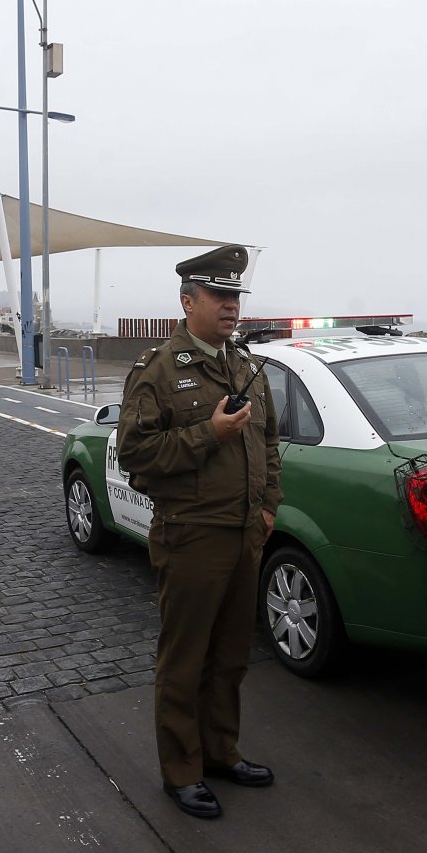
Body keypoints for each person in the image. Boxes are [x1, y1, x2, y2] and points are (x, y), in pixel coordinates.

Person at [117, 244, 283, 819]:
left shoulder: (243, 365)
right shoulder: (158, 370)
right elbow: (135, 455)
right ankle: (182, 770)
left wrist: (268, 507)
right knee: (185, 659)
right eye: (219, 295)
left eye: (235, 295)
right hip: (190, 535)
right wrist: (207, 433)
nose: (230, 305)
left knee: (232, 654)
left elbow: (268, 443)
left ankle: (221, 751)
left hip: (244, 534)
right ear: (187, 301)